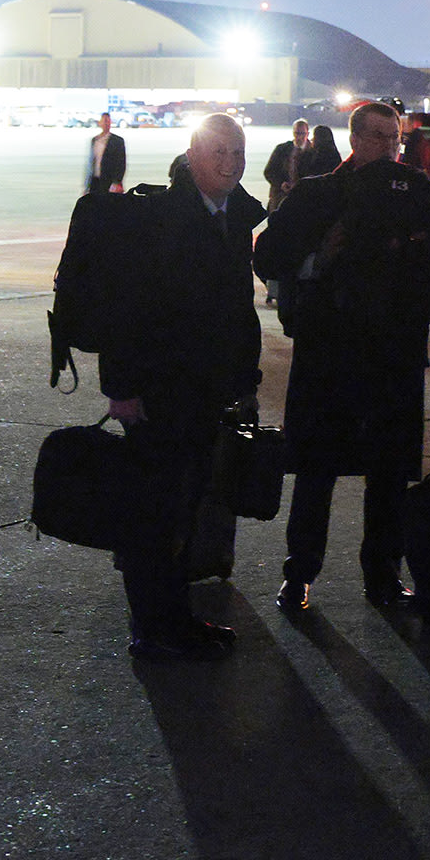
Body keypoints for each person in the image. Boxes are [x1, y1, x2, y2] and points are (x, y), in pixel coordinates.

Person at [254, 101, 430, 612]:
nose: (391, 148)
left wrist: (428, 261)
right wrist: (319, 257)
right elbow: (268, 257)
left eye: (395, 139)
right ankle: (299, 574)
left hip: (395, 354)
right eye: (380, 138)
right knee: (316, 468)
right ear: (354, 140)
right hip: (330, 352)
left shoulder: (412, 192)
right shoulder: (319, 194)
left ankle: (384, 576)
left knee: (388, 473)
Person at [96, 113, 267, 660]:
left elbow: (237, 310)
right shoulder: (161, 218)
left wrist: (244, 378)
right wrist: (120, 388)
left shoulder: (233, 218)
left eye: (238, 153)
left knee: (187, 506)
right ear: (192, 154)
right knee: (155, 512)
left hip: (206, 390)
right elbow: (125, 309)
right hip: (157, 391)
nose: (230, 163)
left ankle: (177, 618)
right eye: (219, 151)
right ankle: (151, 627)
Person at [264, 118, 311, 210]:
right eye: (297, 133)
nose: (299, 137)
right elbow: (269, 171)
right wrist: (281, 184)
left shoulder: (313, 152)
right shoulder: (281, 149)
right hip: (280, 197)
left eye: (302, 134)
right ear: (293, 133)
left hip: (303, 200)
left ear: (308, 134)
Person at [88, 110, 127, 197]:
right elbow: (91, 163)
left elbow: (121, 163)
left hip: (109, 182)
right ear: (99, 123)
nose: (106, 123)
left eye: (108, 121)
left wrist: (117, 182)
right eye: (104, 121)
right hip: (95, 181)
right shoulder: (95, 140)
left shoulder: (117, 141)